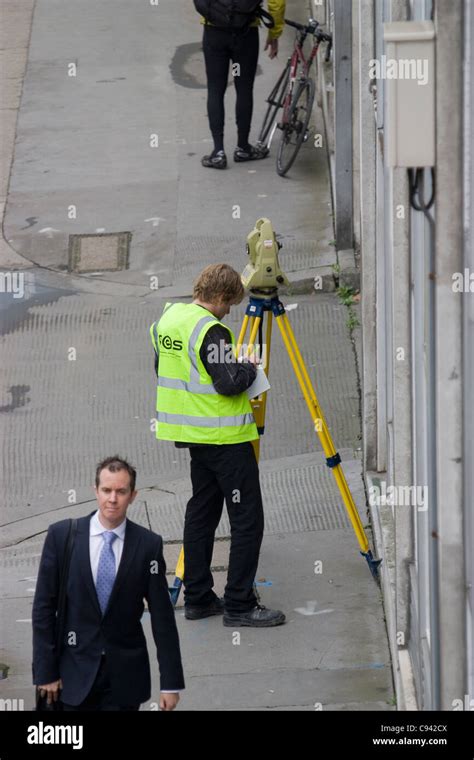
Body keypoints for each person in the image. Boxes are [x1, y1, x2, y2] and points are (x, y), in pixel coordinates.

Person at [150, 263, 285, 627]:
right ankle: (239, 604)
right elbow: (228, 383)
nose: (230, 312)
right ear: (222, 297)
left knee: (202, 513)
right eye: (231, 305)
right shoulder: (212, 330)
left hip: (194, 436)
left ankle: (198, 597)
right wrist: (250, 366)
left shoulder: (169, 320)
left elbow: (166, 368)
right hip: (225, 438)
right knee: (246, 521)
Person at [32, 456, 185, 711]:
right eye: (106, 490)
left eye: (121, 491)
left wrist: (171, 683)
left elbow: (162, 616)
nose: (112, 499)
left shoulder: (147, 545)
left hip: (124, 680)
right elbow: (43, 608)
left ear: (132, 495)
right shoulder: (62, 537)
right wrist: (45, 671)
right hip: (71, 675)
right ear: (95, 491)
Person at [198, 0, 286, 169]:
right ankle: (243, 147)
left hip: (214, 32)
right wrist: (274, 33)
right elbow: (277, 2)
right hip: (246, 32)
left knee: (216, 89)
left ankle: (218, 152)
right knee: (244, 88)